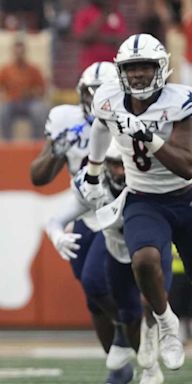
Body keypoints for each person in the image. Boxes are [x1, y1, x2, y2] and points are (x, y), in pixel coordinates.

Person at [81, 33, 192, 372]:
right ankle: (167, 325)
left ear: (161, 68)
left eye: (146, 67)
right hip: (144, 198)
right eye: (132, 68)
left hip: (186, 197)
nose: (140, 74)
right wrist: (93, 170)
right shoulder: (109, 98)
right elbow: (102, 126)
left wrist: (146, 134)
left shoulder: (180, 100)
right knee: (143, 261)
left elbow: (186, 165)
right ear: (121, 72)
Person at [32, 61, 138, 383]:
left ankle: (132, 328)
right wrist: (57, 149)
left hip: (119, 210)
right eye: (88, 93)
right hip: (84, 210)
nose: (93, 100)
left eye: (100, 93)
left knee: (95, 281)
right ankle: (120, 364)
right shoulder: (67, 120)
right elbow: (38, 176)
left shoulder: (128, 118)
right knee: (93, 299)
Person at [46, 144, 165, 383]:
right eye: (114, 164)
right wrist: (57, 235)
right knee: (100, 294)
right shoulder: (92, 182)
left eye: (123, 165)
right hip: (111, 237)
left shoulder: (150, 176)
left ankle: (154, 346)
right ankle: (128, 344)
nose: (120, 171)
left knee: (153, 300)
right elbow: (55, 220)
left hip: (145, 240)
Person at [0, 39, 48, 141]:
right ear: (13, 52)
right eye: (17, 52)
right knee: (1, 111)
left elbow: (42, 89)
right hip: (11, 102)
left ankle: (36, 142)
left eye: (21, 52)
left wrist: (32, 93)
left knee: (40, 110)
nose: (19, 55)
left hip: (29, 103)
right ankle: (7, 144)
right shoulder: (5, 69)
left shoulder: (33, 69)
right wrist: (2, 96)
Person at [72, 0, 126, 70]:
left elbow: (120, 39)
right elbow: (84, 38)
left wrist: (96, 39)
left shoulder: (116, 15)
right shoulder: (84, 13)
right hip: (89, 66)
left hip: (112, 66)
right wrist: (104, 16)